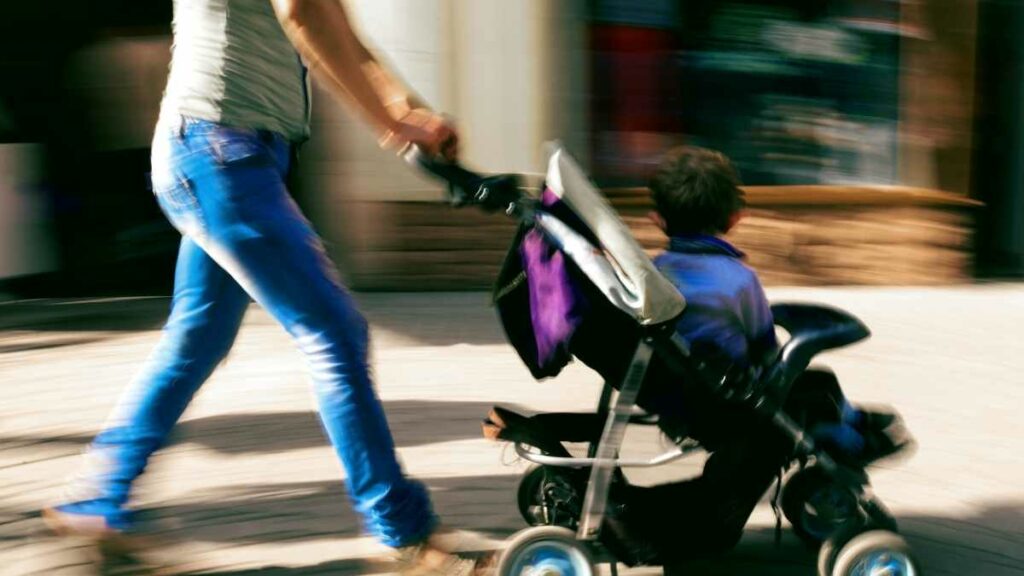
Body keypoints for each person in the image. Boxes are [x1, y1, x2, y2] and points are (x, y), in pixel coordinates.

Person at [43, 0, 483, 573]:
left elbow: (332, 27)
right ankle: (408, 534)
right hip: (219, 153)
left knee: (196, 341)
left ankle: (94, 503)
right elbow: (302, 14)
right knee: (334, 332)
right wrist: (391, 124)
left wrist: (405, 113)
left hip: (227, 153)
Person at [592, 146, 909, 565]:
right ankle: (844, 435)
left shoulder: (655, 275)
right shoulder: (739, 280)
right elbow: (764, 346)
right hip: (735, 405)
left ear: (659, 219)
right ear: (733, 217)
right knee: (814, 383)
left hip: (684, 398)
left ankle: (842, 425)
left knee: (815, 384)